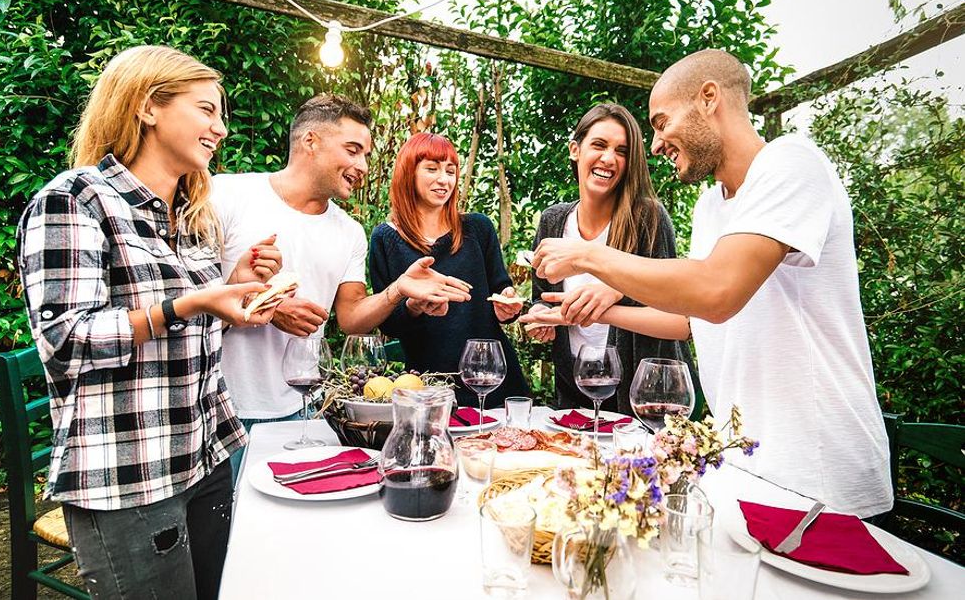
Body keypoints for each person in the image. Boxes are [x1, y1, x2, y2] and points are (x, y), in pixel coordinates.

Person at [532, 49, 892, 518]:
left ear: (707, 99)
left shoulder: (790, 163)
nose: (656, 144)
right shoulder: (710, 206)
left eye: (661, 122)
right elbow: (686, 319)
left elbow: (716, 291)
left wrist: (586, 255)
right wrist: (583, 310)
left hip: (819, 477)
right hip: (741, 466)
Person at [16, 45, 281, 599]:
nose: (221, 128)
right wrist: (194, 302)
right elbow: (66, 339)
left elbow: (189, 331)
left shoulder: (186, 216)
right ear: (147, 106)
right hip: (130, 474)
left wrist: (233, 289)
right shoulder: (74, 199)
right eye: (207, 109)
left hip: (204, 455)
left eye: (222, 115)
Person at [212, 96, 472, 477]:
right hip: (221, 408)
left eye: (366, 154)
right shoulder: (227, 195)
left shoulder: (348, 232)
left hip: (305, 409)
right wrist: (266, 307)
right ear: (310, 141)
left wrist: (397, 289)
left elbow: (351, 318)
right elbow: (184, 298)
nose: (362, 166)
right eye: (353, 150)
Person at [519, 103, 699, 415]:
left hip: (649, 399)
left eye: (622, 151)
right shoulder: (553, 221)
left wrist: (616, 293)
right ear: (576, 150)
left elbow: (678, 312)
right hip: (577, 393)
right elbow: (543, 297)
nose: (608, 158)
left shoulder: (648, 218)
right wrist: (540, 317)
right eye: (599, 145)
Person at [368, 133, 529, 408]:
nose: (444, 179)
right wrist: (415, 306)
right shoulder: (385, 238)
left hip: (493, 380)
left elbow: (501, 287)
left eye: (450, 171)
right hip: (429, 389)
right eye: (432, 169)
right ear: (408, 173)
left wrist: (508, 304)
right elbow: (389, 323)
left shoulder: (478, 228)